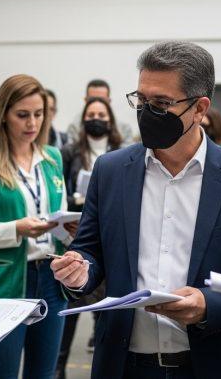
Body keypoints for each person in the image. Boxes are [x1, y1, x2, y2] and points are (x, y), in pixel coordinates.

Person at [51, 41, 221, 379]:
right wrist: (80, 270)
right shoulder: (111, 171)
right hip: (124, 364)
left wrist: (208, 305)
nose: (147, 112)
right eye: (141, 100)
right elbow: (89, 250)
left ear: (200, 108)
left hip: (213, 364)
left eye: (161, 103)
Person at [0, 74, 78, 379]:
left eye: (39, 114)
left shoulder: (52, 158)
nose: (32, 123)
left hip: (50, 277)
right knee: (2, 375)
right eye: (23, 115)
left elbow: (50, 216)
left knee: (44, 374)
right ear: (3, 115)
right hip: (3, 282)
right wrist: (15, 229)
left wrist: (66, 231)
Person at [56, 96, 123, 378]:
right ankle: (58, 368)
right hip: (77, 237)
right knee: (70, 312)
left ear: (110, 119)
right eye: (91, 113)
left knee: (106, 316)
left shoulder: (123, 152)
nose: (96, 118)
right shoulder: (70, 152)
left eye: (102, 114)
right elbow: (61, 189)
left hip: (112, 241)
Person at [66, 79, 134, 143]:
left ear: (109, 101)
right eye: (92, 99)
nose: (97, 103)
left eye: (102, 100)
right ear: (85, 100)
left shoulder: (124, 129)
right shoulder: (74, 128)